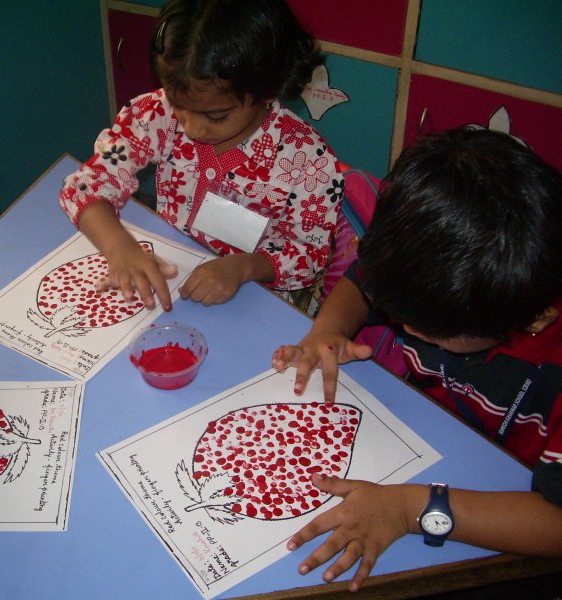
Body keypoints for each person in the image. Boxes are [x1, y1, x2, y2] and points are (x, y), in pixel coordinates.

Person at [271, 127, 562, 591]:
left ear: (535, 319)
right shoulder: (433, 266)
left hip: (510, 499)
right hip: (430, 436)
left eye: (424, 329)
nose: (403, 327)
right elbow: (365, 281)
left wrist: (410, 510)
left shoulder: (501, 291)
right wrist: (328, 329)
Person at [59, 0, 341, 312]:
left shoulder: (307, 160)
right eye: (179, 104)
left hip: (252, 296)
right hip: (173, 276)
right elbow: (87, 184)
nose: (192, 128)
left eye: (216, 116)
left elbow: (309, 255)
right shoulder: (158, 114)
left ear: (267, 90)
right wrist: (119, 247)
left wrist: (245, 267)